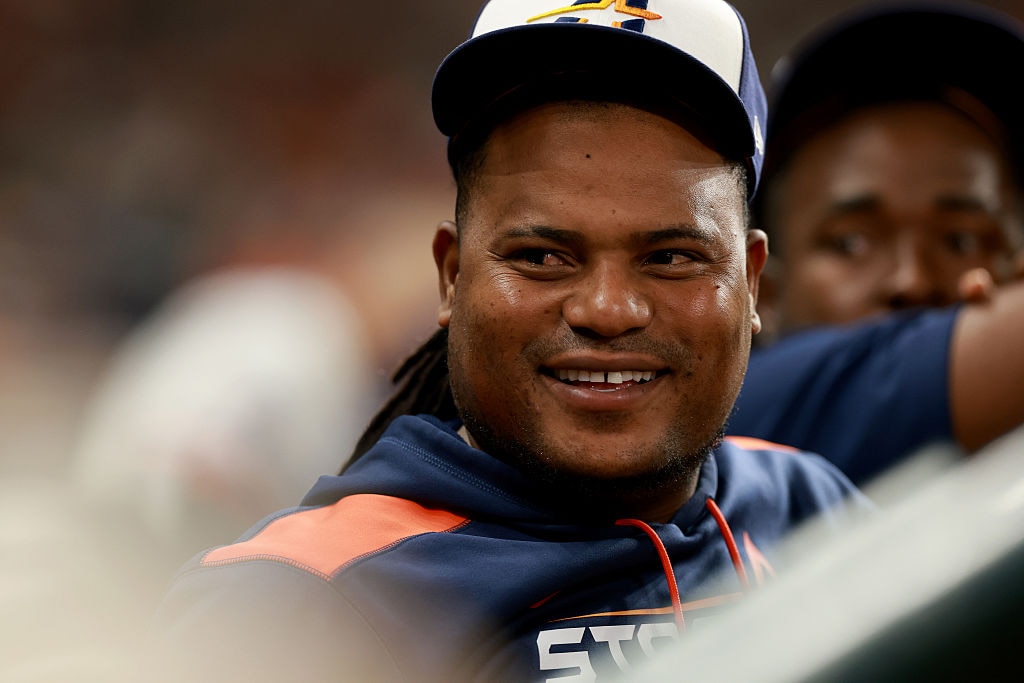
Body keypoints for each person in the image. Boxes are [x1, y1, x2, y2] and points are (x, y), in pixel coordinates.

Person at [150, 1, 872, 681]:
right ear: (451, 275)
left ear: (751, 283)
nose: (607, 308)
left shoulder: (815, 508)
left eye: (673, 256)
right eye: (542, 255)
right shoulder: (288, 603)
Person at [728, 1, 1024, 486]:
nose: (913, 280)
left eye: (962, 239)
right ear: (764, 292)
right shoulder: (738, 411)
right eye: (851, 244)